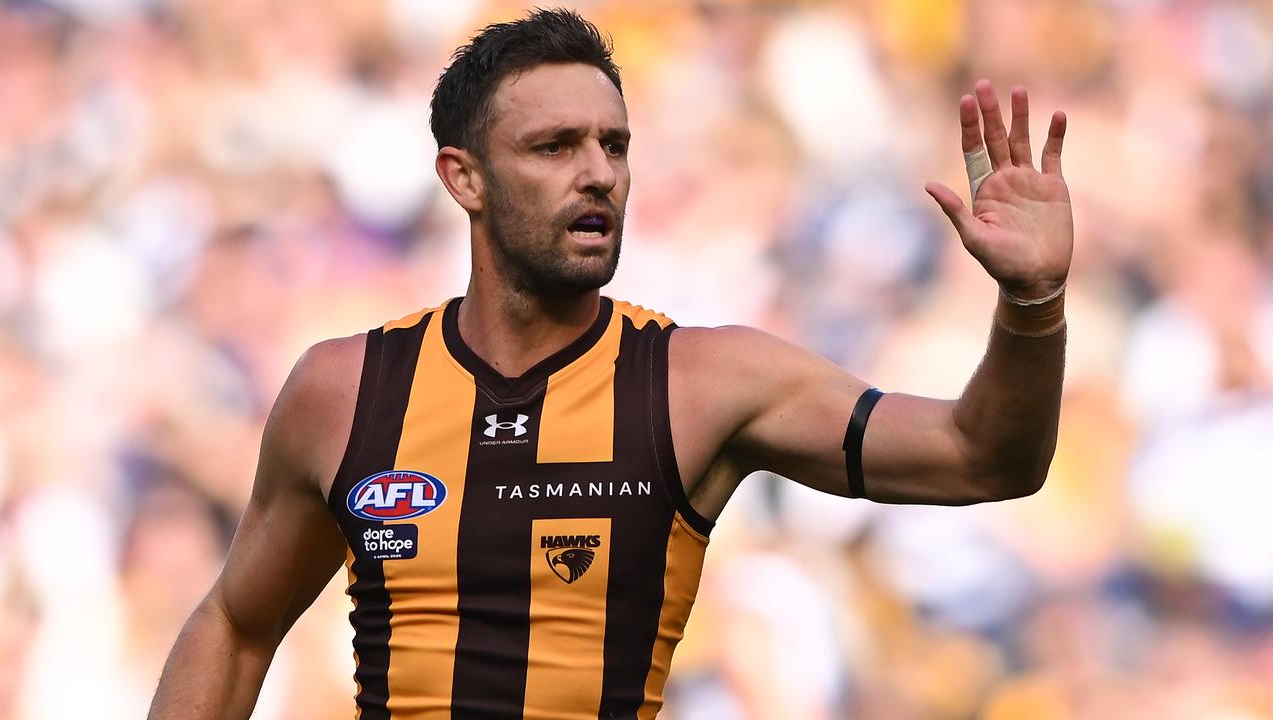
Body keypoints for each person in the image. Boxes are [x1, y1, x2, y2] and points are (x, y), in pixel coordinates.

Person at [148, 8, 1072, 720]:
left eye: (614, 145)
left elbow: (983, 457)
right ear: (464, 178)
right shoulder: (346, 392)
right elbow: (233, 626)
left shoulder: (703, 383)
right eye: (555, 147)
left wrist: (1033, 302)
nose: (598, 172)